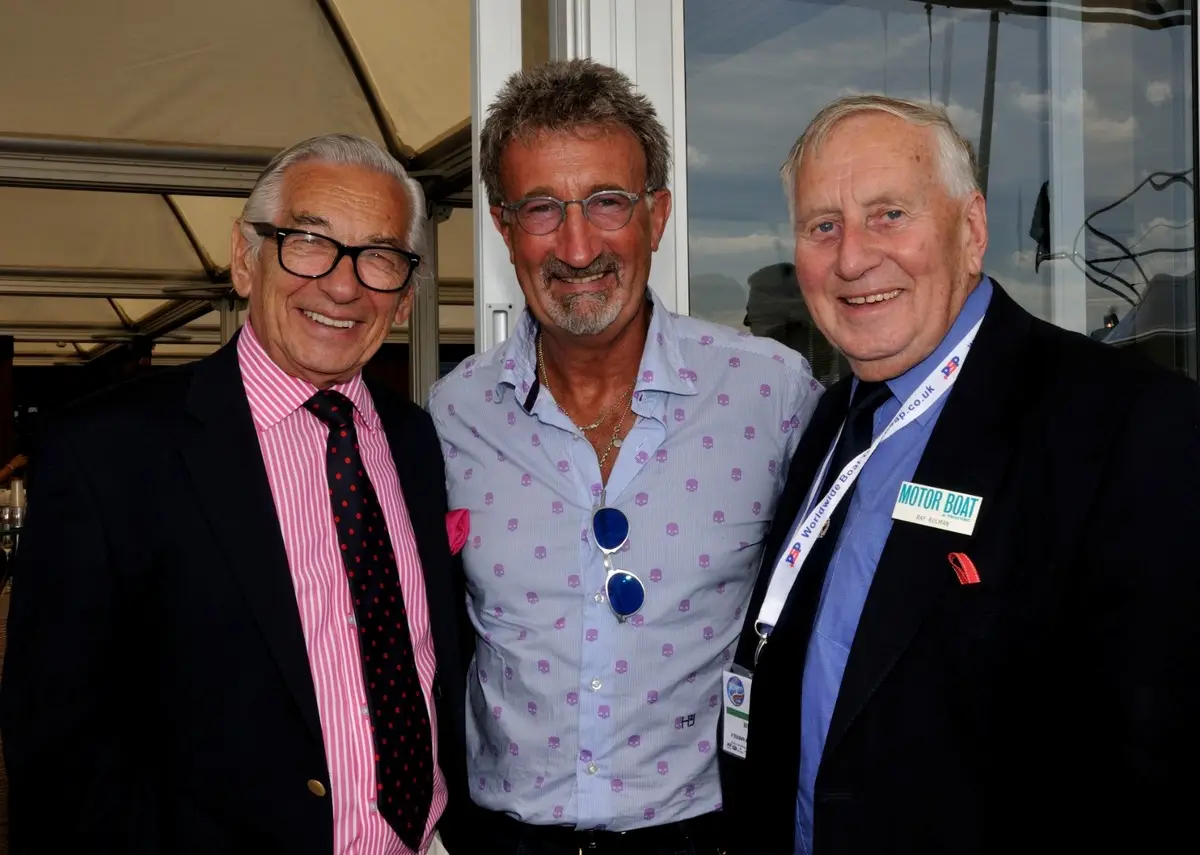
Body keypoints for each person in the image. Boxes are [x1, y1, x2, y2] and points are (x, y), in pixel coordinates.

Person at [719, 95, 1200, 854]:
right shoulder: (831, 420)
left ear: (971, 230)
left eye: (888, 215)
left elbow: (1153, 762)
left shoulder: (1127, 425)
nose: (852, 258)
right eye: (823, 226)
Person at [0, 134, 469, 855]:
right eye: (308, 241)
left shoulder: (418, 441)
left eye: (379, 256)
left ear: (406, 295)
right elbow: (56, 746)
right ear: (246, 259)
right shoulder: (109, 453)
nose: (343, 285)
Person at [428, 59, 821, 855]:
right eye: (542, 208)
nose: (577, 247)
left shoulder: (772, 395)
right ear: (504, 227)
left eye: (607, 201)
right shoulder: (452, 413)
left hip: (706, 838)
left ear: (657, 214)